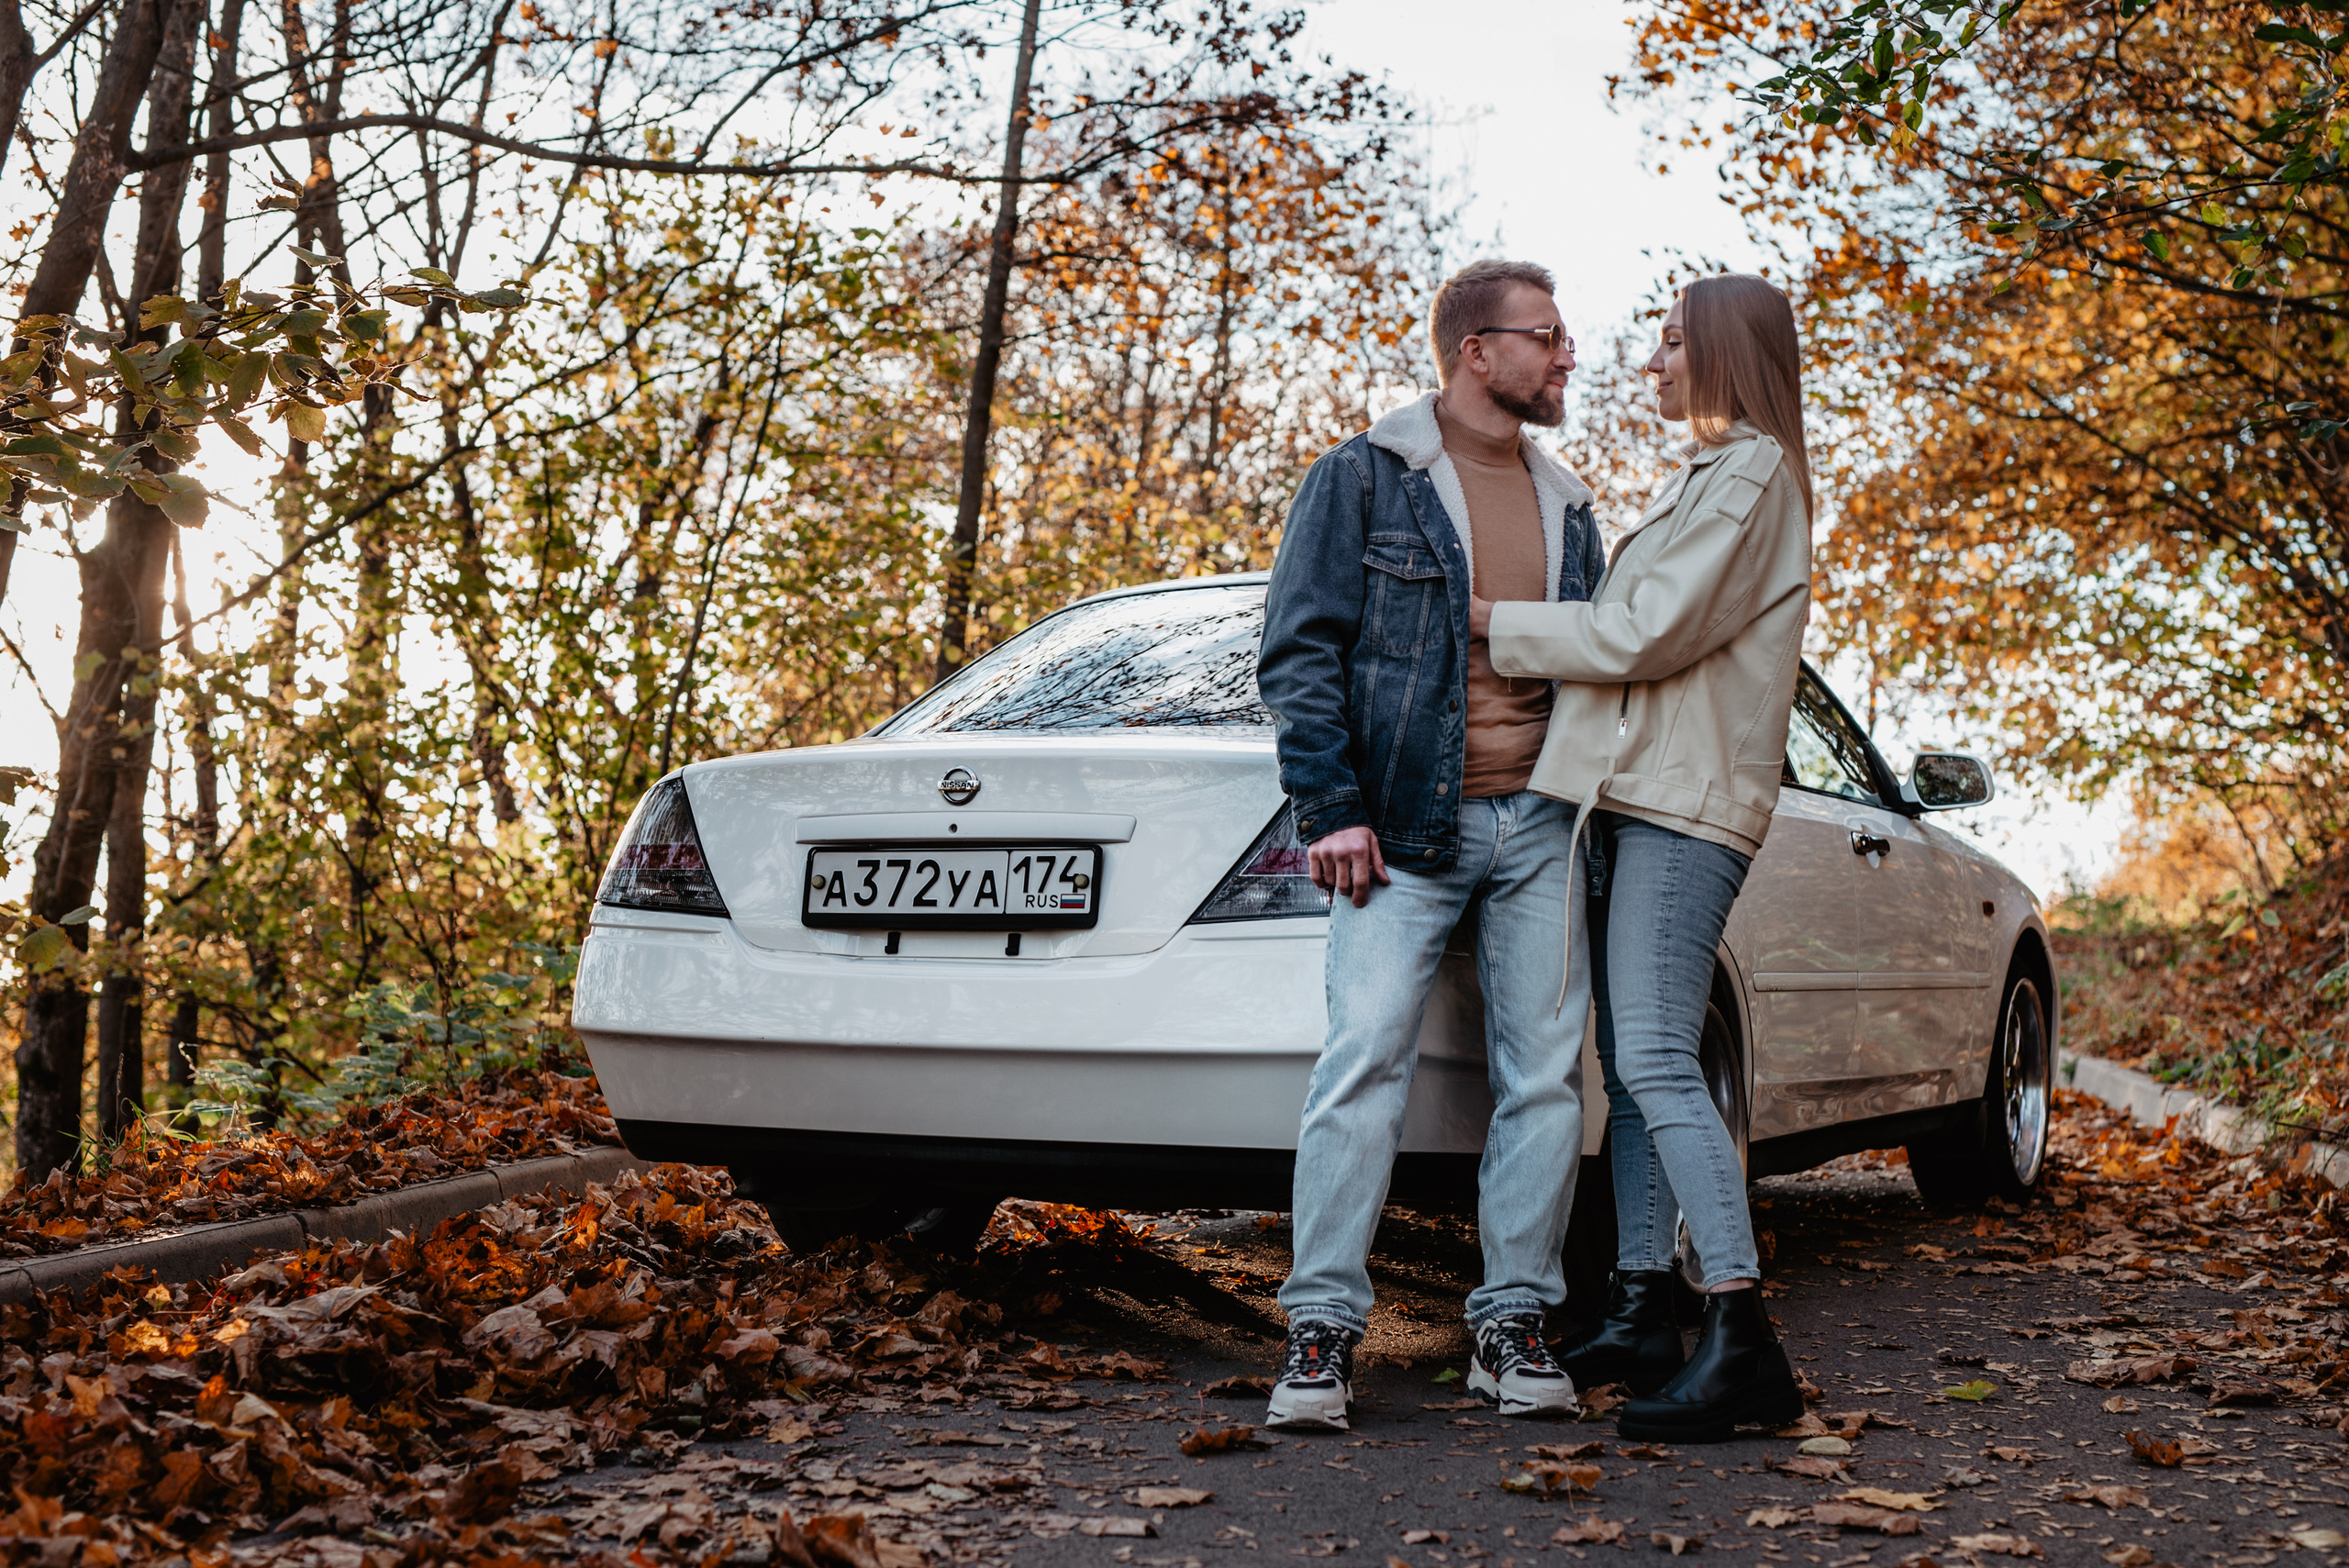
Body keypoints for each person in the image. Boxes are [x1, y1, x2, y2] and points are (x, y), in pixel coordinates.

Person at [1255, 259, 1607, 1429]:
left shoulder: (1570, 505)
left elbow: (1590, 664)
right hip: (1402, 827)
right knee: (1359, 1067)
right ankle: (1319, 1331)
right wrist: (1329, 806)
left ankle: (1510, 1320)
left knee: (1545, 1081)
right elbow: (1300, 653)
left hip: (1541, 826)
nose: (1565, 357)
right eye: (1546, 337)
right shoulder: (1364, 479)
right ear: (1475, 349)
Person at [1467, 272, 1815, 1444]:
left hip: (1684, 808)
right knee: (1631, 1070)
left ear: (1722, 352)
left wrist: (1489, 623)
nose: (1652, 363)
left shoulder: (1754, 471)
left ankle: (1742, 1334)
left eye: (1671, 343)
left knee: (1661, 1062)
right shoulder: (1708, 477)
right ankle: (1636, 1308)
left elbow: (1637, 633)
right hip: (1635, 798)